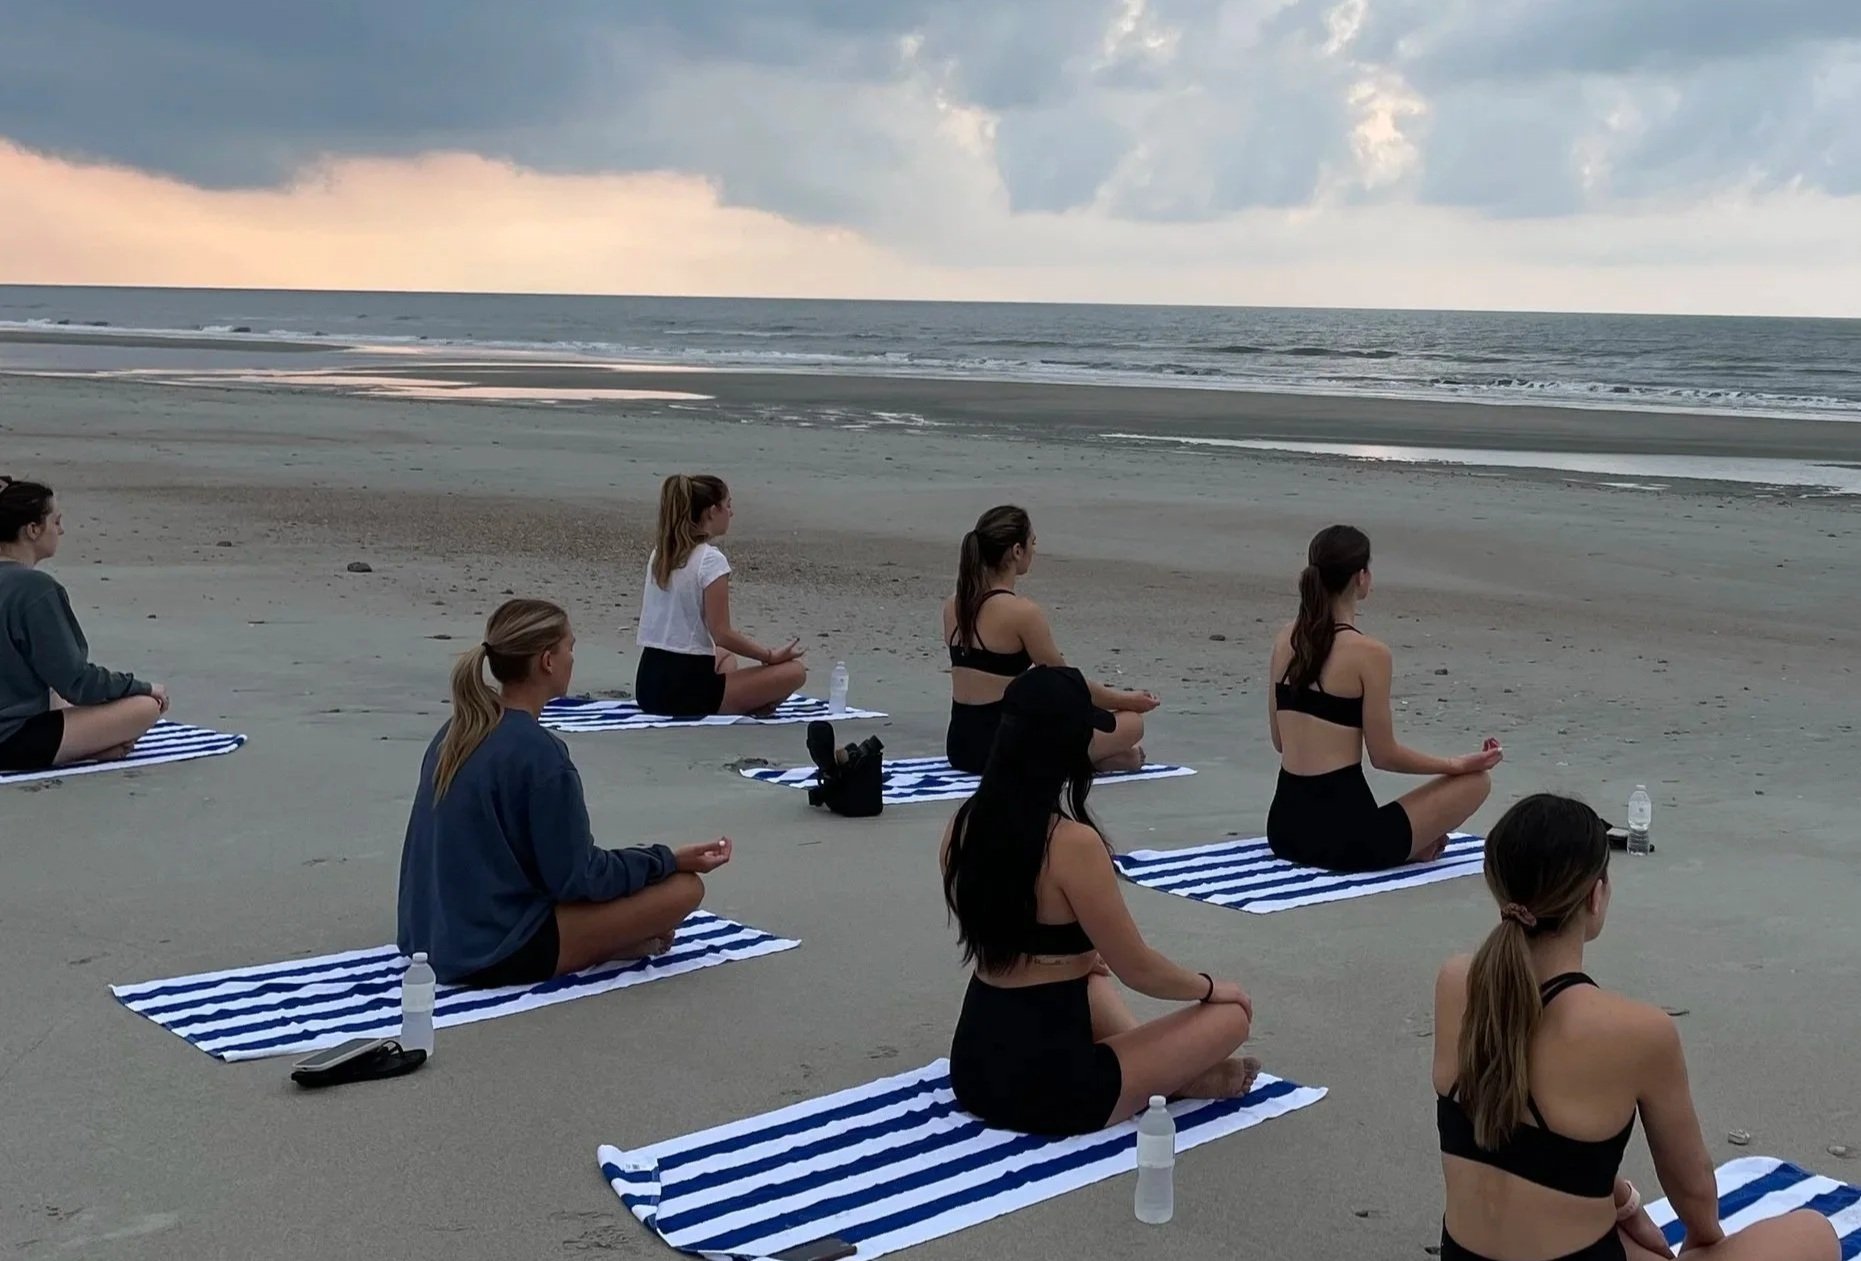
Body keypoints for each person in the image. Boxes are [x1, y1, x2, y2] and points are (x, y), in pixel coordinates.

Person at [1434, 794, 1837, 1261]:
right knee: (1812, 1233)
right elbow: (1697, 1203)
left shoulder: (1456, 984)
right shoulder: (1637, 1032)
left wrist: (1621, 1200)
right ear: (1595, 895)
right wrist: (1702, 1244)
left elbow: (1517, 1148)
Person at [942, 665, 1258, 1136]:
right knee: (1231, 1018)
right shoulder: (1070, 843)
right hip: (1057, 1089)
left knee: (1089, 977)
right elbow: (1139, 969)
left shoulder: (961, 826)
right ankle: (1171, 1079)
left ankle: (1169, 1075)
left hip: (973, 1068)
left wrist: (1078, 960)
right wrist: (1210, 988)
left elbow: (1011, 931)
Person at [398, 598, 734, 986]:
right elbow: (578, 879)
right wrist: (666, 861)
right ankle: (604, 946)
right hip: (492, 950)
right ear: (547, 661)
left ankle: (609, 940)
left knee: (641, 888)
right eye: (569, 648)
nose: (573, 658)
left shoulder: (455, 731)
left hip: (430, 936)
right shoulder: (540, 754)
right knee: (684, 890)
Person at [1267, 524, 1500, 871]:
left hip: (1284, 830)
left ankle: (1410, 845)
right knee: (1476, 783)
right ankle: (1410, 847)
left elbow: (1279, 741)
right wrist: (1457, 764)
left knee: (1381, 818)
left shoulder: (1286, 638)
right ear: (1361, 577)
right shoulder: (1369, 653)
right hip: (1346, 841)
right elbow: (1384, 756)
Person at [941, 505, 1154, 774]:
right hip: (1002, 748)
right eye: (1033, 542)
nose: (1035, 549)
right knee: (1132, 724)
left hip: (960, 747)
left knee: (1109, 744)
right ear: (1017, 551)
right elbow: (1069, 685)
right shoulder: (1022, 612)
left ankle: (1111, 760)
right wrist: (1127, 701)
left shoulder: (953, 605)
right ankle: (1096, 759)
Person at [0, 476, 165, 772]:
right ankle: (88, 749)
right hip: (11, 740)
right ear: (33, 529)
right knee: (145, 706)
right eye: (56, 521)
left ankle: (90, 745)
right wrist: (142, 687)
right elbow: (77, 681)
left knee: (52, 691)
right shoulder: (34, 589)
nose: (61, 530)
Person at [634, 474, 807, 718]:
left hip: (648, 685)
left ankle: (745, 700)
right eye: (728, 505)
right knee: (795, 672)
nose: (731, 513)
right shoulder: (710, 560)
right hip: (687, 693)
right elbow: (721, 633)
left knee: (725, 658)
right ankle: (748, 705)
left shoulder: (662, 554)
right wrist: (769, 655)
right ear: (711, 511)